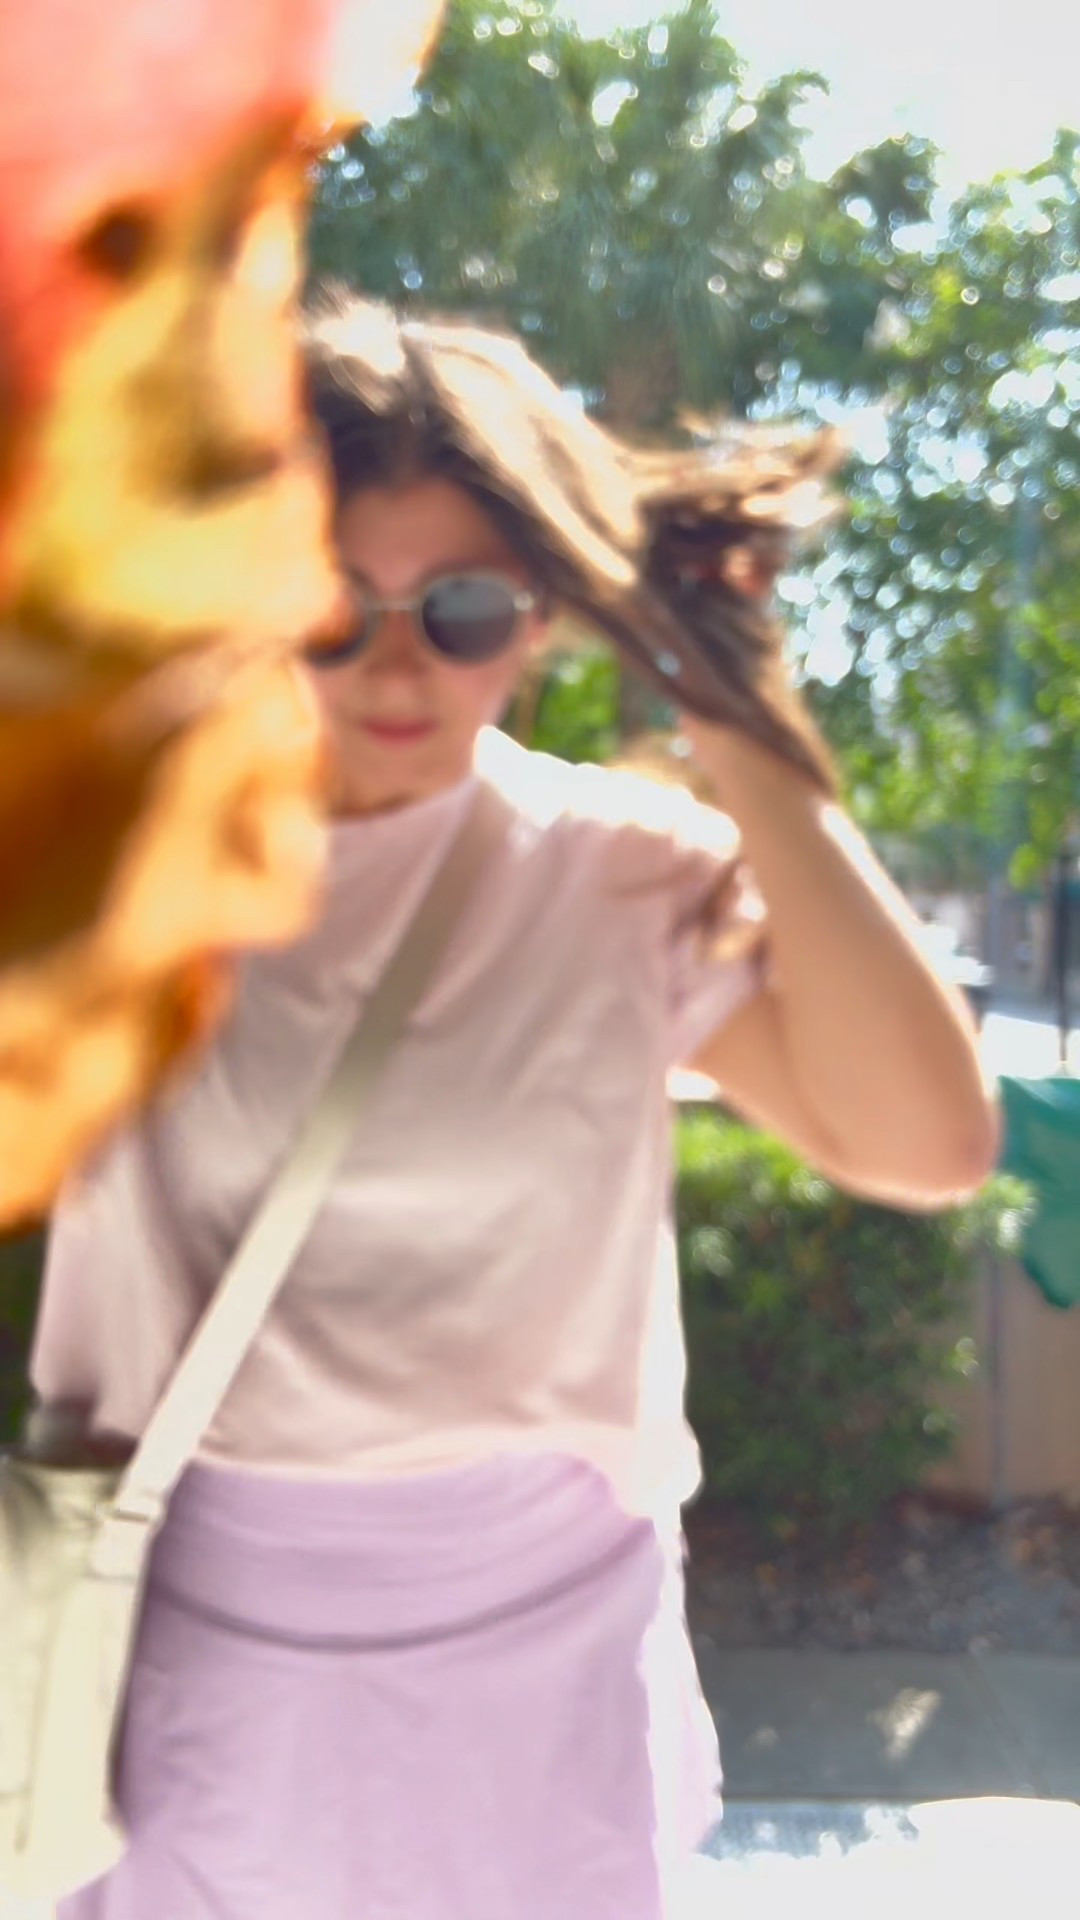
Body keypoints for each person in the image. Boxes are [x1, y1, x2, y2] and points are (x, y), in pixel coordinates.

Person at [33, 294, 999, 1920]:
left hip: (540, 1668)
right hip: (188, 1639)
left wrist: (738, 732)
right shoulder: (119, 863)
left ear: (543, 617)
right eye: (336, 605)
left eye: (466, 607)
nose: (396, 660)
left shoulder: (615, 870)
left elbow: (925, 1144)